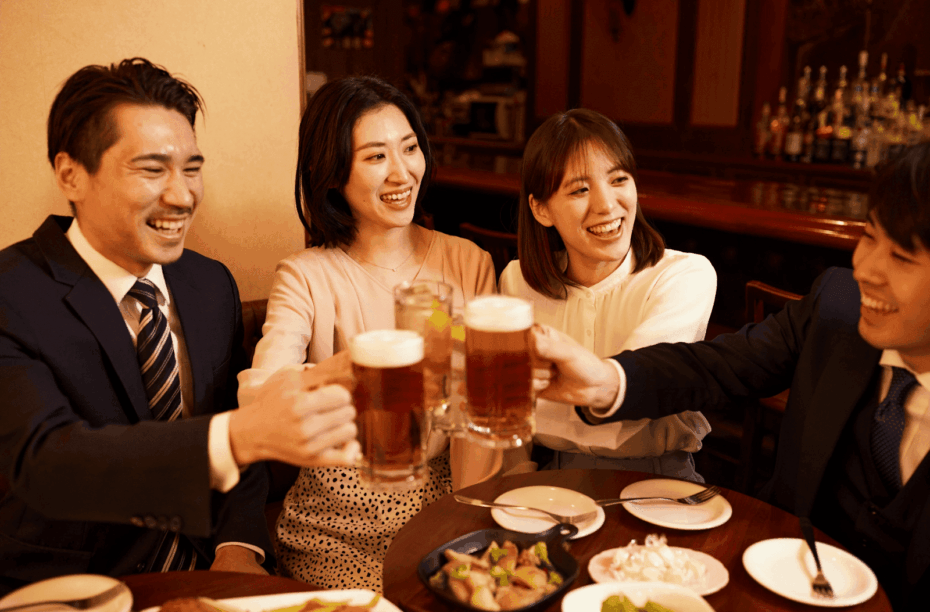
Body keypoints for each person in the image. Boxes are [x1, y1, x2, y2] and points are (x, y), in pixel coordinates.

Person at [0, 58, 358, 593]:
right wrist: (244, 434)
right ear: (70, 173)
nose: (182, 195)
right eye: (152, 169)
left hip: (205, 571)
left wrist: (239, 547)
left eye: (191, 169)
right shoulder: (11, 293)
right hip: (69, 588)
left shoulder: (208, 284)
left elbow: (228, 423)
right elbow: (46, 463)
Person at [531, 142, 930, 610]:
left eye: (902, 257)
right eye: (869, 235)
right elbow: (716, 366)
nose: (865, 268)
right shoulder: (838, 306)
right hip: (781, 585)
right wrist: (605, 380)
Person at [237, 76, 498, 590]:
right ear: (333, 174)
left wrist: (467, 522)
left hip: (450, 499)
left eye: (410, 148)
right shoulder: (305, 274)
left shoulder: (468, 260)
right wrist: (366, 373)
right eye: (376, 157)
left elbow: (481, 412)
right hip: (337, 523)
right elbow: (260, 394)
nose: (402, 172)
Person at [499, 109, 716, 482]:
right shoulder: (517, 281)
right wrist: (519, 479)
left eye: (618, 180)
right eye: (580, 189)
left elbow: (640, 392)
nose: (607, 205)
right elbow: (512, 411)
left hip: (659, 478)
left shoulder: (683, 276)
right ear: (540, 208)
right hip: (552, 474)